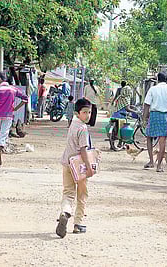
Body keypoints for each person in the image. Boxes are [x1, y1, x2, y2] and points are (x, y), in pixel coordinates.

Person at [56, 98, 95, 238]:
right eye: (85, 112)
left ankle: (65, 212)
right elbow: (83, 150)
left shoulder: (73, 123)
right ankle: (78, 223)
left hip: (67, 162)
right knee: (82, 193)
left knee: (68, 192)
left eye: (89, 112)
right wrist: (89, 167)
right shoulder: (83, 128)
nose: (88, 115)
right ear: (78, 113)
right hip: (80, 166)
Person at [0, 71, 28, 168]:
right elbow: (25, 98)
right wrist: (16, 108)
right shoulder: (13, 89)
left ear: (0, 79)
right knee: (2, 136)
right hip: (8, 115)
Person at [143, 72, 167, 172]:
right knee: (162, 142)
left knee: (149, 137)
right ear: (166, 79)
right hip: (165, 116)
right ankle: (159, 166)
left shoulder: (153, 89)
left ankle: (151, 161)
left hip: (154, 115)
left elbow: (146, 104)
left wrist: (144, 118)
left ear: (157, 79)